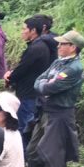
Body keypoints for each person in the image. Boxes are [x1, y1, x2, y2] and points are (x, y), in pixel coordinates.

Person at [22, 30, 84, 167]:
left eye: (62, 44)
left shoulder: (74, 68)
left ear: (72, 47)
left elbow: (53, 86)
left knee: (55, 156)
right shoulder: (59, 62)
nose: (58, 46)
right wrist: (45, 86)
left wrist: (45, 86)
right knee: (33, 148)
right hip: (46, 111)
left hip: (60, 116)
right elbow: (40, 81)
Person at [4, 16, 52, 149]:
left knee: (24, 124)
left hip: (28, 92)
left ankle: (23, 155)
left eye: (24, 29)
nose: (22, 31)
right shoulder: (39, 46)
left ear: (33, 31)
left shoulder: (36, 48)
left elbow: (23, 68)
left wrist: (10, 76)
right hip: (31, 90)